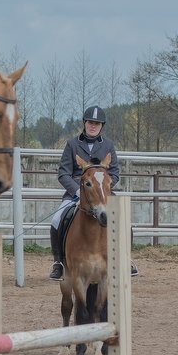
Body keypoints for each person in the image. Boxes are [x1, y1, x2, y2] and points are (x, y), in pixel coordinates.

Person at [49, 106, 134, 279]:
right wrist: (76, 191)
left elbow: (115, 173)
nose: (93, 126)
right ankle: (58, 262)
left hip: (102, 193)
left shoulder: (108, 145)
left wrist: (104, 187)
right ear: (84, 123)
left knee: (125, 220)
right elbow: (64, 173)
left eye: (97, 123)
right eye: (90, 122)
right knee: (56, 219)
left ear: (101, 125)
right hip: (77, 192)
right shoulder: (72, 144)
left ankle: (126, 259)